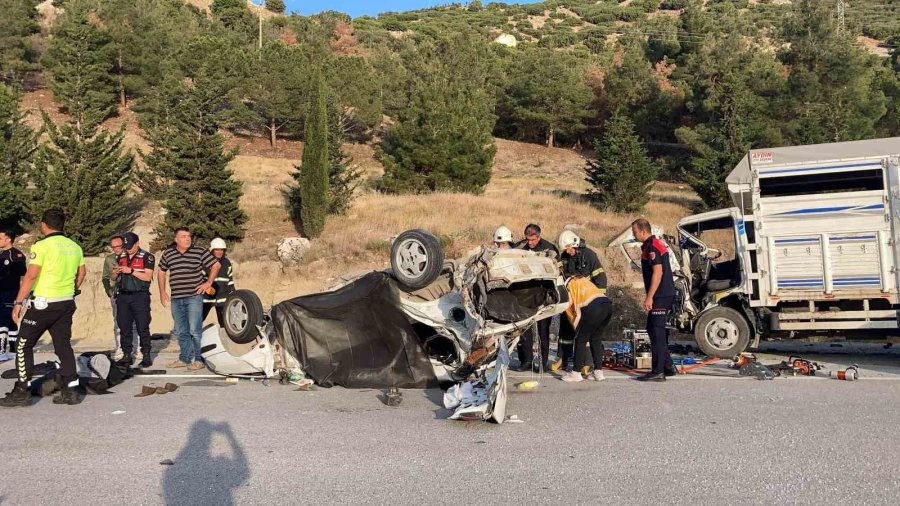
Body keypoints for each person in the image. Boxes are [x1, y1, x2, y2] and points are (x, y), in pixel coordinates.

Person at [0, 209, 86, 407]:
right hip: (66, 302)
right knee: (63, 345)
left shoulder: (42, 246)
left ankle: (22, 390)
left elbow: (31, 276)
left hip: (43, 303)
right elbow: (82, 273)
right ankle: (71, 390)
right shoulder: (74, 246)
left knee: (23, 344)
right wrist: (72, 290)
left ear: (44, 225)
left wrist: (19, 302)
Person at [158, 227, 220, 370]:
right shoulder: (168, 253)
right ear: (176, 239)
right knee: (181, 330)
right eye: (184, 236)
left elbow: (216, 264)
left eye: (189, 236)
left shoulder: (199, 251)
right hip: (176, 298)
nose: (188, 238)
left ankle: (198, 360)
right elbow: (161, 270)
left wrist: (208, 282)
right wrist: (162, 291)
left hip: (193, 297)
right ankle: (184, 359)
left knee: (195, 330)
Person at [554, 230, 608, 372]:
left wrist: (598, 302)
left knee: (586, 333)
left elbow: (601, 278)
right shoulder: (564, 256)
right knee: (565, 331)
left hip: (587, 303)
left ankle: (587, 363)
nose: (568, 251)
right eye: (566, 249)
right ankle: (563, 358)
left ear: (576, 244)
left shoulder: (589, 256)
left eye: (570, 248)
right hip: (570, 301)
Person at [632, 218, 676, 382]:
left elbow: (658, 272)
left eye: (635, 232)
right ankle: (668, 366)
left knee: (657, 332)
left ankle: (658, 371)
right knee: (652, 328)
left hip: (660, 294)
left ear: (643, 231)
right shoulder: (653, 244)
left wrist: (649, 297)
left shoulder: (652, 246)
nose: (633, 234)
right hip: (663, 293)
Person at [514, 224, 558, 372]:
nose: (530, 242)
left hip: (543, 295)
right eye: (528, 239)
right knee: (524, 330)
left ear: (539, 237)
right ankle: (526, 361)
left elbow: (556, 271)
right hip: (524, 295)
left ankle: (542, 363)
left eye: (533, 240)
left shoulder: (549, 248)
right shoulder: (521, 247)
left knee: (542, 331)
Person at [111, 232, 155, 367]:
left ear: (137, 243)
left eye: (130, 246)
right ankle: (126, 354)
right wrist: (115, 272)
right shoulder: (121, 256)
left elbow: (148, 277)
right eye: (126, 246)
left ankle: (146, 354)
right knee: (124, 326)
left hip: (140, 295)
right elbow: (112, 278)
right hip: (123, 296)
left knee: (143, 326)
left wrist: (131, 271)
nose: (128, 249)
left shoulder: (147, 257)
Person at [559, 276, 611, 383]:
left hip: (594, 309)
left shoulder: (568, 285)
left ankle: (576, 373)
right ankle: (598, 372)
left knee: (580, 339)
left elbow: (568, 305)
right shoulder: (582, 280)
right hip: (607, 305)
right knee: (595, 339)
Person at [103, 235, 136, 361]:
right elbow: (106, 277)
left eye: (119, 246)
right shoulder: (109, 259)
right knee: (118, 322)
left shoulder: (131, 256)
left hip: (132, 293)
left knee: (134, 322)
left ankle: (135, 349)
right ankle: (120, 348)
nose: (116, 249)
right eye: (113, 247)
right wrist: (109, 291)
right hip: (117, 293)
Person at [0, 228, 27, 362]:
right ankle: (12, 350)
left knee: (4, 321)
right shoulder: (1, 255)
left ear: (8, 239)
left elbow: (23, 277)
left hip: (11, 293)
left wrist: (21, 297)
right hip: (1, 293)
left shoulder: (16, 255)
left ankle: (3, 350)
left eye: (0, 238)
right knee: (9, 321)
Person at [202, 238, 235, 327]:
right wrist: (205, 287)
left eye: (222, 250)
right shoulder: (205, 262)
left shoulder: (227, 262)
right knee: (198, 319)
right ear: (212, 250)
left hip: (223, 298)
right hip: (207, 298)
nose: (220, 252)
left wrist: (233, 294)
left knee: (225, 323)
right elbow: (199, 279)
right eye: (217, 249)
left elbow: (230, 280)